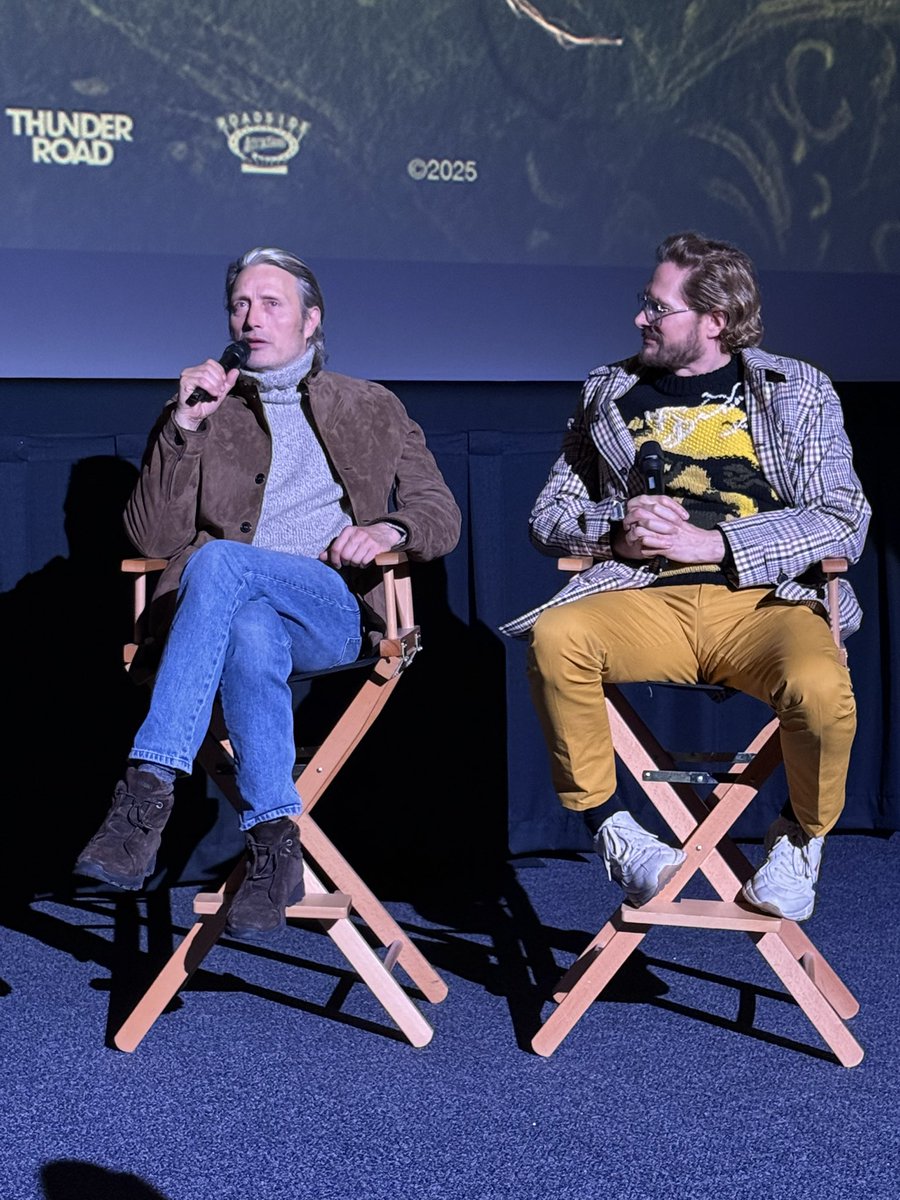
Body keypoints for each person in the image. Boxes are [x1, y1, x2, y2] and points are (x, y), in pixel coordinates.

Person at [76, 246, 461, 937]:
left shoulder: (373, 405)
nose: (251, 317)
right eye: (240, 304)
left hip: (331, 607)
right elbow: (151, 540)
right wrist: (181, 429)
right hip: (230, 617)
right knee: (246, 621)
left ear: (313, 319)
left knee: (222, 562)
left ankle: (146, 793)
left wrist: (387, 528)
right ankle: (274, 844)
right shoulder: (203, 408)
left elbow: (439, 514)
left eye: (271, 302)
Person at [500, 231, 870, 923]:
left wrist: (715, 539)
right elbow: (547, 517)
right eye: (643, 302)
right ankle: (617, 831)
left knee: (821, 689)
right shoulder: (608, 393)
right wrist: (615, 530)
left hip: (765, 602)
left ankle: (799, 837)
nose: (640, 317)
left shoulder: (798, 389)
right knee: (557, 639)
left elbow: (844, 519)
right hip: (644, 596)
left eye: (656, 307)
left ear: (715, 320)